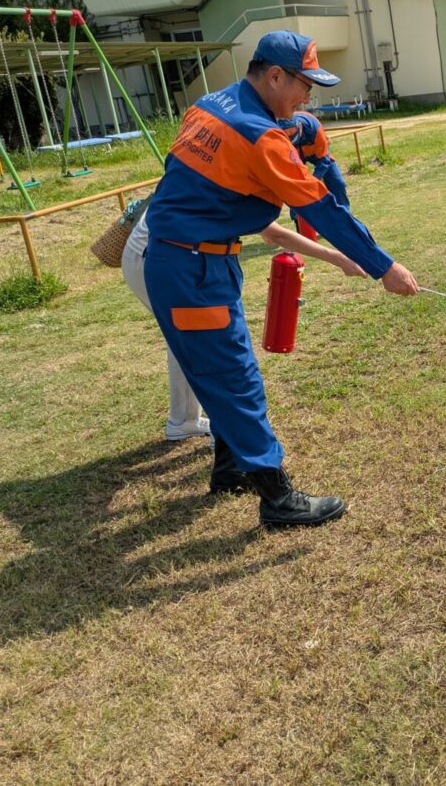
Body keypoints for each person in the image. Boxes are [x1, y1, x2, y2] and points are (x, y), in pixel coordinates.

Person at [141, 30, 418, 528]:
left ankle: (229, 468)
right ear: (274, 76)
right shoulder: (260, 137)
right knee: (236, 378)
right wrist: (384, 267)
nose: (309, 95)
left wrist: (311, 141)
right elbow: (322, 209)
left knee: (221, 369)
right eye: (305, 84)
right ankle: (278, 499)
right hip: (192, 268)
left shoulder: (211, 104)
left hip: (188, 260)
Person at [121, 117, 364, 445]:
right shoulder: (246, 158)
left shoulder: (244, 147)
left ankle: (184, 420)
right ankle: (226, 437)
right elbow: (271, 232)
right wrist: (337, 258)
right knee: (205, 342)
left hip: (160, 252)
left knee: (187, 340)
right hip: (157, 254)